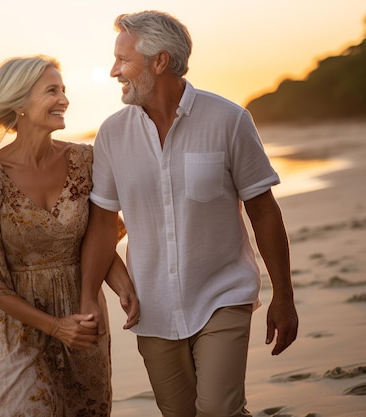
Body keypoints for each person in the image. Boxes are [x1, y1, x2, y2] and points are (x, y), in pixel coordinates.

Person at [80, 11, 299, 417]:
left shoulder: (229, 120)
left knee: (218, 409)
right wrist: (89, 294)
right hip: (151, 307)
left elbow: (264, 211)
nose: (114, 71)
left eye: (123, 60)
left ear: (159, 61)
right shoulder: (112, 134)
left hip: (222, 293)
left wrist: (283, 296)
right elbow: (102, 225)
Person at [0, 55, 139, 417]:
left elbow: (99, 234)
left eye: (63, 90)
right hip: (13, 329)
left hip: (82, 312)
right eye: (51, 91)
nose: (64, 99)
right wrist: (55, 327)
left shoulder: (85, 161)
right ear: (20, 104)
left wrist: (122, 284)